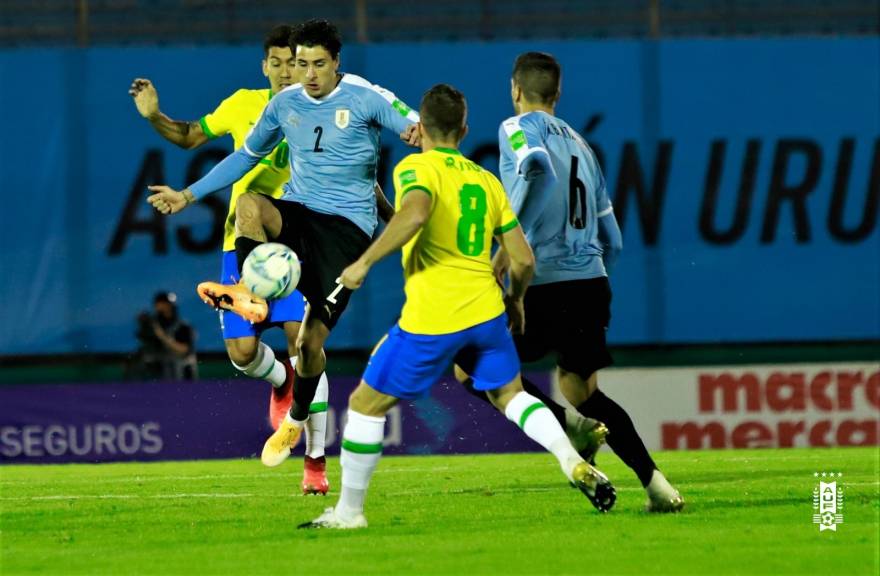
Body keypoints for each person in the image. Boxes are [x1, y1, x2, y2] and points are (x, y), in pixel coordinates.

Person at [266, 84, 616, 529]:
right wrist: (515, 300)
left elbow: (413, 214)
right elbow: (522, 258)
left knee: (364, 404)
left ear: (422, 127)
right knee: (511, 395)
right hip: (487, 313)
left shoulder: (417, 168)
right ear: (464, 129)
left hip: (434, 315)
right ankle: (571, 460)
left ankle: (349, 513)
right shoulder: (486, 180)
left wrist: (364, 262)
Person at [144, 19, 420, 454]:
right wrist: (187, 195)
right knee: (249, 205)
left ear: (336, 63)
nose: (308, 74)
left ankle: (300, 427)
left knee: (310, 343)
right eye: (301, 63)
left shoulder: (367, 97)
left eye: (317, 64)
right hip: (299, 214)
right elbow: (243, 158)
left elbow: (412, 122)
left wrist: (415, 130)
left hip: (345, 232)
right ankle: (246, 291)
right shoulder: (284, 103)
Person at [463, 51, 684, 512]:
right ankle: (657, 485)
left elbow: (537, 170)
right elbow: (615, 240)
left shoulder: (515, 127)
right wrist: (589, 277)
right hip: (590, 281)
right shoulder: (583, 145)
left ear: (516, 90)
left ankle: (566, 424)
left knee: (471, 364)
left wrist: (509, 242)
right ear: (558, 93)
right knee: (586, 391)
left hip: (542, 282)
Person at [129, 24, 335, 495]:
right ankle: (281, 382)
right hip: (242, 243)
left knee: (306, 347)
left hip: (300, 244)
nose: (287, 71)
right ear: (265, 66)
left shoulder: (323, 109)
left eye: (294, 62)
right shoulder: (244, 103)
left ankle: (316, 466)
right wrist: (155, 116)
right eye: (278, 63)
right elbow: (189, 136)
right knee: (242, 356)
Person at [127, 292, 198, 381]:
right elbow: (145, 342)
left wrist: (163, 336)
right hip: (156, 377)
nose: (164, 308)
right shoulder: (153, 325)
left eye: (166, 304)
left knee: (173, 364)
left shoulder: (183, 327)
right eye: (160, 304)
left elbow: (185, 350)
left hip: (180, 377)